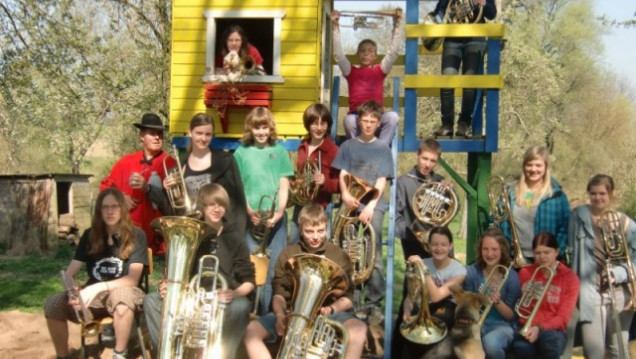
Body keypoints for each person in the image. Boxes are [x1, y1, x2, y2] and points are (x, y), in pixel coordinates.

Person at [143, 183, 255, 359]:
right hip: (193, 295)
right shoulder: (189, 232)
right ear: (202, 206)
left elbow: (249, 281)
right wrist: (167, 286)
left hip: (222, 297)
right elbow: (177, 272)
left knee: (241, 306)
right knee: (151, 300)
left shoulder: (235, 238)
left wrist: (233, 293)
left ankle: (222, 355)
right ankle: (167, 352)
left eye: (221, 204)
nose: (217, 209)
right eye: (212, 204)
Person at [243, 203, 367, 359]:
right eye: (309, 231)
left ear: (326, 228)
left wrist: (331, 309)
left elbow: (348, 298)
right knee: (251, 330)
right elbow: (279, 293)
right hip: (292, 312)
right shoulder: (288, 253)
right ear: (300, 229)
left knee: (359, 329)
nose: (315, 236)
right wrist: (280, 315)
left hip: (327, 314)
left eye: (320, 231)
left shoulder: (339, 255)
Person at [44, 188, 148, 359]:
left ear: (122, 208)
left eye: (114, 206)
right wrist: (72, 294)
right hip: (93, 298)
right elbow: (70, 274)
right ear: (99, 211)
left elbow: (132, 279)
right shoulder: (89, 235)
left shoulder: (137, 235)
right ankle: (63, 356)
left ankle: (119, 353)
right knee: (52, 303)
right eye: (105, 207)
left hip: (126, 292)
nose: (110, 211)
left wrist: (95, 288)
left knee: (122, 299)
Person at [332, 99, 394, 313]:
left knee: (372, 253)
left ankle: (374, 303)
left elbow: (381, 180)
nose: (368, 124)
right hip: (350, 202)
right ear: (358, 121)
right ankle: (351, 299)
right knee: (346, 252)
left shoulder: (383, 149)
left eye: (372, 121)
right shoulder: (348, 146)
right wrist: (346, 195)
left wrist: (371, 206)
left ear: (378, 123)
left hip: (373, 204)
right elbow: (343, 174)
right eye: (364, 120)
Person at [234, 106, 294, 314]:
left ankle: (269, 315)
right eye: (256, 128)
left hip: (275, 219)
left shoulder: (279, 152)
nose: (261, 132)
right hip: (251, 218)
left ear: (271, 129)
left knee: (274, 268)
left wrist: (279, 212)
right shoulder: (241, 153)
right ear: (250, 129)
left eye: (264, 128)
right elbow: (238, 185)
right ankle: (249, 313)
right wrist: (249, 211)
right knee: (251, 267)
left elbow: (284, 183)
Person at [569, 174, 636, 359]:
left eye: (602, 193)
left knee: (618, 349)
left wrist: (619, 273)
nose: (597, 198)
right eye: (593, 193)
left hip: (621, 292)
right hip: (591, 291)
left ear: (612, 194)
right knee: (594, 351)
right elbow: (571, 249)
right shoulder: (579, 217)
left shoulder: (626, 224)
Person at [100, 113, 175, 255]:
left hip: (158, 237)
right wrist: (120, 198)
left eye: (160, 133)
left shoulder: (170, 164)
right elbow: (105, 188)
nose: (157, 137)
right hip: (127, 233)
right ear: (141, 136)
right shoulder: (124, 162)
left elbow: (176, 203)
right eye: (152, 133)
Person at [392, 226, 467, 358]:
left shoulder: (459, 270)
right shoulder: (424, 263)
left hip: (446, 307)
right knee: (404, 327)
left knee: (437, 324)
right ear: (428, 246)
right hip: (424, 305)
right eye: (434, 244)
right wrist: (407, 311)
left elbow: (437, 296)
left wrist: (423, 270)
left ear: (450, 246)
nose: (439, 248)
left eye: (443, 244)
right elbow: (411, 296)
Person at [163, 113, 247, 228]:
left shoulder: (225, 161)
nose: (203, 138)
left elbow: (238, 202)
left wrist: (235, 234)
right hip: (191, 230)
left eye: (208, 134)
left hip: (220, 231)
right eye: (199, 133)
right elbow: (174, 209)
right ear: (190, 132)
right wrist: (167, 189)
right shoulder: (180, 167)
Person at [331, 9, 402, 146]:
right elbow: (339, 55)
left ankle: (380, 149)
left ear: (375, 56)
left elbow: (393, 53)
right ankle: (358, 150)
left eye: (370, 51)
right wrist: (335, 26)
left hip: (377, 117)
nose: (366, 54)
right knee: (348, 121)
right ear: (358, 54)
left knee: (393, 117)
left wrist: (397, 25)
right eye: (362, 51)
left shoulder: (380, 70)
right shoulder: (351, 71)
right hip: (358, 118)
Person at [431, 0, 497, 138]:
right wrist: (439, 18)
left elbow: (492, 14)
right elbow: (439, 11)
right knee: (447, 80)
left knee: (469, 84)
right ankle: (447, 124)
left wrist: (484, 3)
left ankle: (464, 124)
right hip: (452, 38)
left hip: (475, 39)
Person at [511, 232, 579, 359]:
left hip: (554, 331)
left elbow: (563, 317)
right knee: (521, 348)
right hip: (527, 327)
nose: (542, 257)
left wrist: (540, 328)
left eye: (547, 252)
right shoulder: (526, 273)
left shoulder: (570, 278)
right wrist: (522, 294)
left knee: (549, 342)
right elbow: (518, 310)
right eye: (537, 253)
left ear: (556, 252)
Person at [498, 146, 570, 264]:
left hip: (546, 261)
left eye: (538, 165)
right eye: (529, 165)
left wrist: (556, 253)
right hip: (513, 259)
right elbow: (498, 221)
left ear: (546, 167)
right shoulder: (510, 192)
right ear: (523, 166)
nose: (533, 169)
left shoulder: (557, 196)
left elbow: (565, 228)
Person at [463, 228, 521, 359]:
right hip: (476, 322)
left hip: (502, 326)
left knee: (490, 345)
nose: (489, 254)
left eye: (494, 249)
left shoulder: (511, 277)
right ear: (480, 250)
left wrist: (498, 302)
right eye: (485, 249)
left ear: (502, 250)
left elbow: (511, 316)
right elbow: (467, 306)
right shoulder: (473, 272)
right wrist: (479, 299)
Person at [288, 103, 340, 245]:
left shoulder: (333, 150)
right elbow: (301, 173)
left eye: (323, 123)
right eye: (314, 123)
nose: (319, 128)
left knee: (319, 246)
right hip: (301, 205)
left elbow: (341, 184)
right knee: (294, 243)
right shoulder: (303, 145)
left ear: (328, 125)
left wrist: (325, 182)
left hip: (321, 207)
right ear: (308, 124)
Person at [395, 138, 452, 260]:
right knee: (416, 277)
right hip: (413, 242)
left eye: (433, 161)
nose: (427, 164)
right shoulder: (402, 182)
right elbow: (396, 216)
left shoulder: (440, 182)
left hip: (439, 242)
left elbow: (450, 211)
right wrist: (414, 233)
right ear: (417, 155)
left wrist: (450, 194)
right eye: (425, 158)